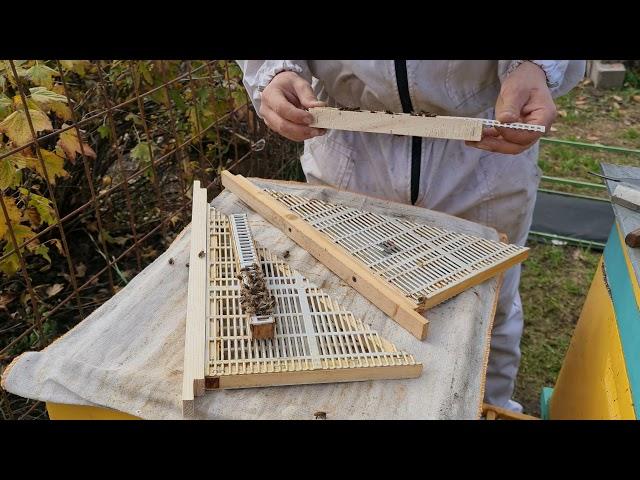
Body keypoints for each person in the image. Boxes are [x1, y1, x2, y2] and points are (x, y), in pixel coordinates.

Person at [236, 60, 586, 412]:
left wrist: (533, 67)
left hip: (483, 150)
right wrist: (274, 70)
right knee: (349, 306)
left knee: (485, 314)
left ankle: (486, 408)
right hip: (350, 148)